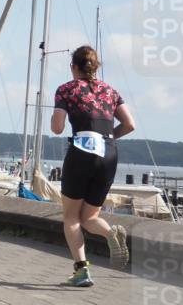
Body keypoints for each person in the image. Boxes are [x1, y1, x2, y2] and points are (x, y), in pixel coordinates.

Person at [51, 45, 135, 287]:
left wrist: (56, 115)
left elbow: (57, 128)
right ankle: (110, 232)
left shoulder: (66, 89)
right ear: (95, 67)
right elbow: (130, 124)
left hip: (82, 150)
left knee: (71, 217)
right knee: (89, 217)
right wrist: (107, 139)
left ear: (73, 67)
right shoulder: (111, 91)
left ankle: (82, 271)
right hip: (109, 153)